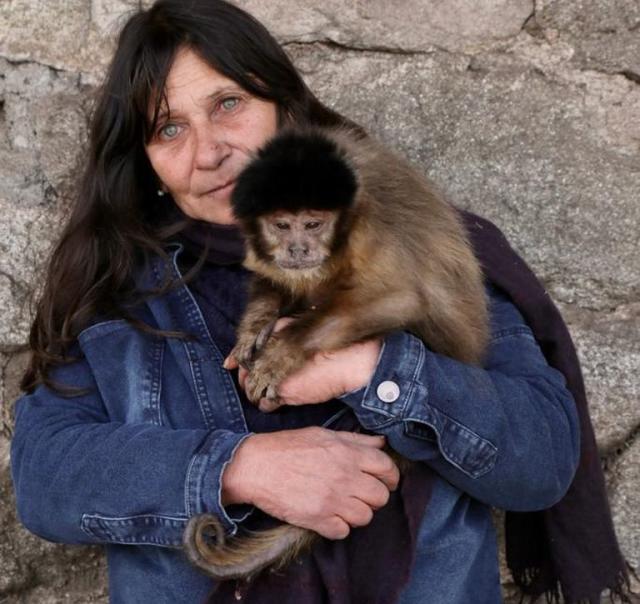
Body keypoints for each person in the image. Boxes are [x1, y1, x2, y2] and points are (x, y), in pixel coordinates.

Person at [9, 1, 627, 603]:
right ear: (147, 165)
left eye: (228, 104)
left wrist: (372, 369)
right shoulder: (117, 293)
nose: (209, 151)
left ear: (285, 109)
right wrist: (240, 468)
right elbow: (44, 477)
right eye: (169, 128)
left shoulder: (418, 233)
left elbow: (543, 457)